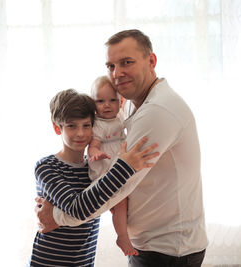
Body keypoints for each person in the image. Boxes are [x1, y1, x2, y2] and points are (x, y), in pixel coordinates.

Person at [35, 29, 208, 267]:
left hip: (167, 251)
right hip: (151, 245)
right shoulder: (129, 109)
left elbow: (120, 183)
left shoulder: (157, 112)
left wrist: (56, 218)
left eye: (126, 62)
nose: (117, 73)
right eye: (111, 66)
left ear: (151, 61)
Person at [28, 88, 159, 267]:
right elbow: (78, 208)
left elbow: (101, 202)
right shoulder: (46, 167)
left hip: (84, 262)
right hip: (47, 263)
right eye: (71, 126)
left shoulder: (94, 169)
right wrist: (125, 167)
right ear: (57, 128)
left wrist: (56, 219)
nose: (80, 133)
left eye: (86, 125)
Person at [87, 76, 138, 256]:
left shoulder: (119, 116)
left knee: (127, 201)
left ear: (120, 101)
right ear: (93, 104)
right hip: (105, 167)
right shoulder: (98, 125)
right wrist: (96, 154)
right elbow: (92, 146)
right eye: (100, 101)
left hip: (118, 162)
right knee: (120, 203)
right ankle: (122, 236)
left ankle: (127, 231)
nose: (107, 105)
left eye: (112, 100)